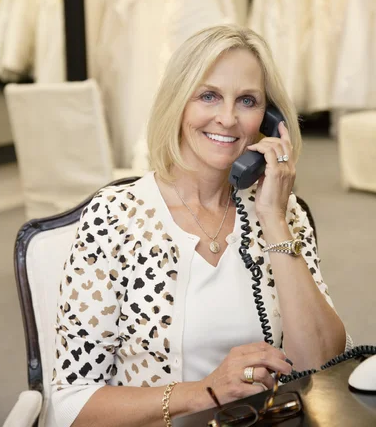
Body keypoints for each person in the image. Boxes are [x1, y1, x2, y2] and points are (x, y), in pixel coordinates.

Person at [51, 24, 349, 427]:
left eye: (247, 100)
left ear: (269, 118)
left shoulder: (281, 210)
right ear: (178, 102)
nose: (227, 119)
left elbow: (323, 365)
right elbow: (71, 404)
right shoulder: (114, 217)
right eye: (209, 96)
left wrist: (275, 221)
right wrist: (205, 392)